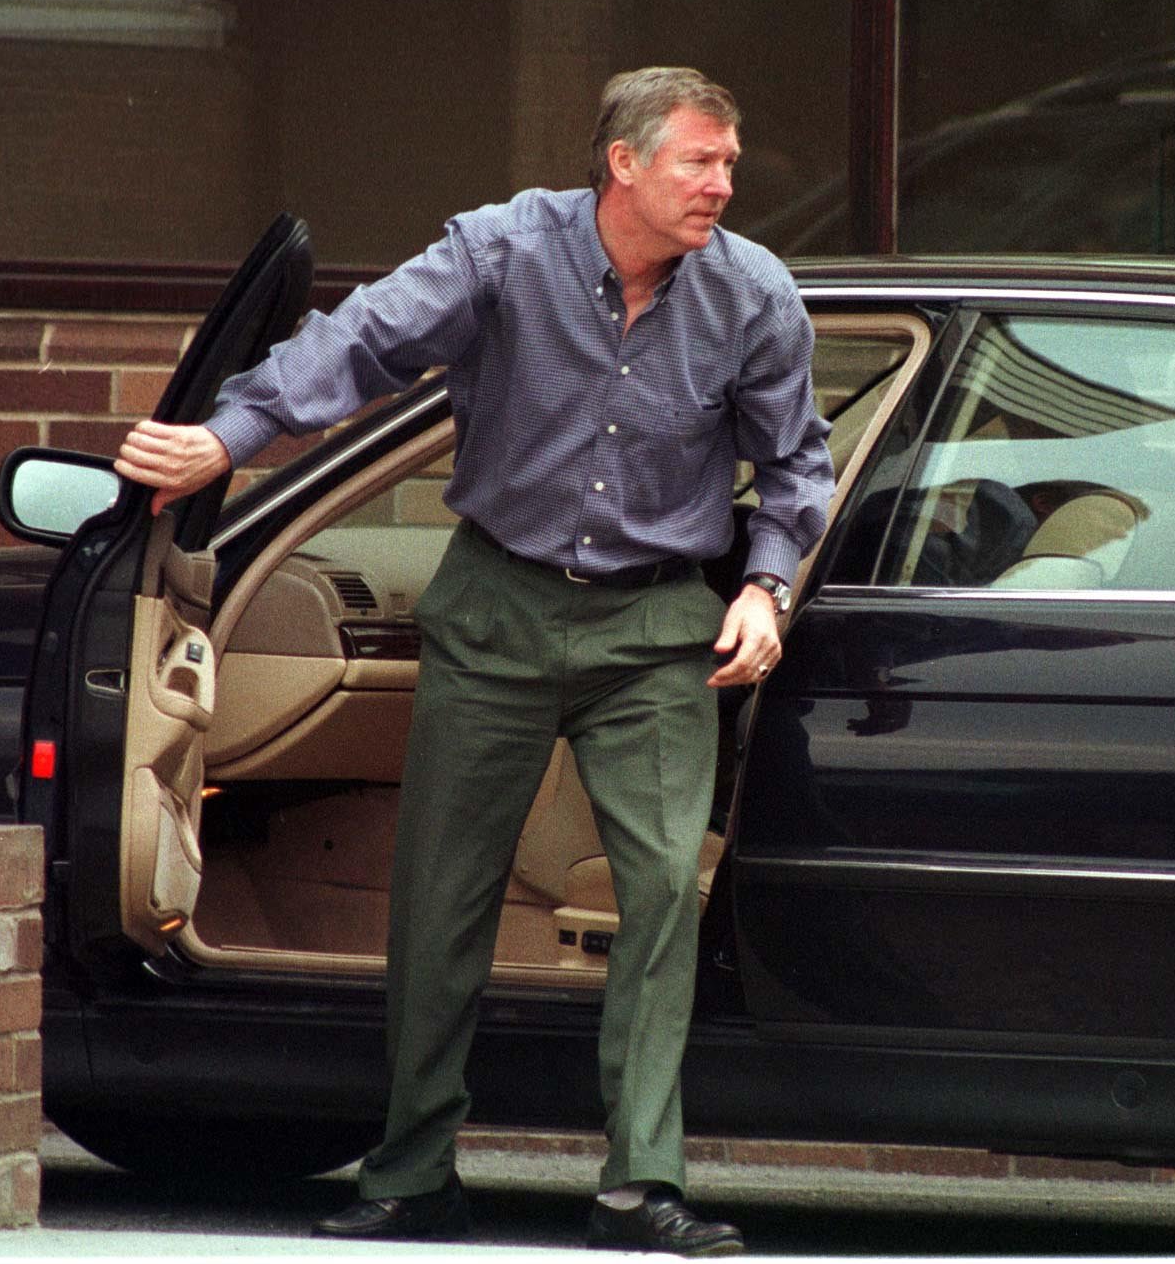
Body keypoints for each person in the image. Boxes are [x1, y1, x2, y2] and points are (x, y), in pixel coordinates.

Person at [113, 66, 833, 1256]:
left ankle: (639, 1186)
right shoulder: (503, 250)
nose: (723, 184)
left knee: (659, 893)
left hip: (657, 630)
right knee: (440, 897)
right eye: (699, 161)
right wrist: (227, 436)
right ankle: (411, 1173)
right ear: (624, 164)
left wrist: (765, 588)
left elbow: (796, 465)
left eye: (728, 164)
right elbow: (361, 346)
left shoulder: (753, 294)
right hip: (495, 606)